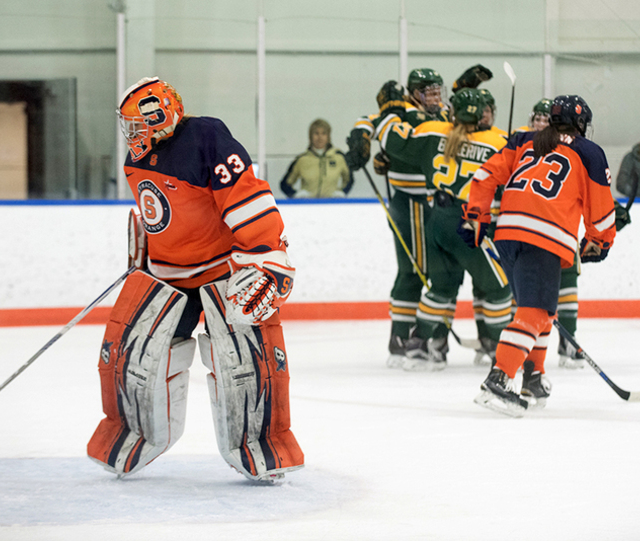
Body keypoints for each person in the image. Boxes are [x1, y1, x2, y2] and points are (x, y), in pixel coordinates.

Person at [87, 77, 304, 481]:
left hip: (222, 275)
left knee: (245, 367)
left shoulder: (206, 137)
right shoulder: (137, 159)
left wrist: (267, 256)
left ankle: (262, 447)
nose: (131, 134)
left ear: (161, 117)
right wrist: (145, 254)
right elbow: (165, 216)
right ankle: (132, 435)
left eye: (137, 124)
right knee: (134, 359)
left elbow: (245, 195)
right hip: (166, 277)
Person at [461, 95, 617, 416]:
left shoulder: (522, 140)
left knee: (538, 311)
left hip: (507, 234)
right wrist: (599, 241)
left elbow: (483, 177)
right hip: (544, 236)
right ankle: (500, 378)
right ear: (580, 124)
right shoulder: (589, 151)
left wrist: (476, 216)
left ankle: (533, 376)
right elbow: (600, 211)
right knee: (534, 312)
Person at [375, 88, 513, 371]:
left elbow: (390, 139)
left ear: (453, 112)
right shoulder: (497, 141)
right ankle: (502, 352)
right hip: (468, 223)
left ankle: (417, 346)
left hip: (436, 220)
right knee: (499, 286)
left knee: (442, 287)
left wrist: (392, 111)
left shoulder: (432, 131)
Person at [344, 70, 450, 368]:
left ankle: (432, 338)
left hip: (441, 201)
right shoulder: (399, 111)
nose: (435, 98)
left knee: (443, 270)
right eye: (428, 93)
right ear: (413, 94)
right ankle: (403, 338)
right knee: (415, 269)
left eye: (437, 92)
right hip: (411, 201)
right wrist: (361, 139)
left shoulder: (444, 114)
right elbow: (369, 121)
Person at [280, 118, 353, 198]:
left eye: (323, 133)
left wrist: (342, 192)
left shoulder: (339, 158)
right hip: (308, 207)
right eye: (316, 133)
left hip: (332, 206)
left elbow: (349, 180)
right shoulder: (302, 160)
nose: (320, 137)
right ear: (310, 136)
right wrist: (295, 194)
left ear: (328, 136)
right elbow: (285, 184)